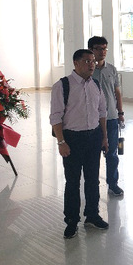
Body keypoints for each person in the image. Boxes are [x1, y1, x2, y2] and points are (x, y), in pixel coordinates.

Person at [50, 49, 109, 239]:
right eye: (87, 61)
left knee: (92, 179)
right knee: (73, 181)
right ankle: (71, 220)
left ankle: (92, 215)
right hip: (72, 139)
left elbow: (102, 112)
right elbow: (55, 117)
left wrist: (104, 137)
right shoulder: (62, 86)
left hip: (93, 137)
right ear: (75, 63)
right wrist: (61, 142)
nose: (92, 65)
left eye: (93, 61)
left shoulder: (96, 84)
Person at [88, 36, 125, 197]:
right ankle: (92, 184)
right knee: (93, 154)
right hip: (92, 120)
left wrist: (120, 112)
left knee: (112, 153)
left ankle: (113, 184)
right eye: (98, 48)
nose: (102, 52)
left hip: (111, 117)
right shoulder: (87, 70)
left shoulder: (112, 69)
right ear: (91, 50)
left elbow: (117, 92)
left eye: (104, 49)